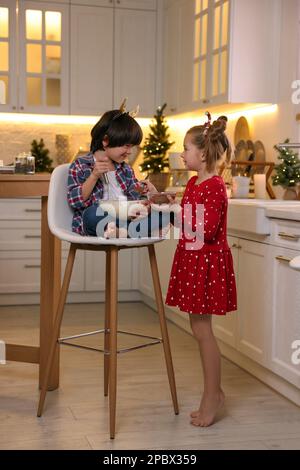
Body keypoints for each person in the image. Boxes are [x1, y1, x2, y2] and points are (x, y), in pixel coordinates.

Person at [166, 113, 237, 427]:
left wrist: (170, 214)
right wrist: (170, 203)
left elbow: (204, 230)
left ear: (203, 154)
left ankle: (212, 398)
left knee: (203, 331)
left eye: (186, 149)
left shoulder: (215, 186)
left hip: (206, 263)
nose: (182, 154)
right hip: (194, 261)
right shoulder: (195, 182)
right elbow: (189, 217)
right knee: (199, 329)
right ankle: (215, 392)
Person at [67, 109, 164, 238]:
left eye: (132, 146)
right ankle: (134, 230)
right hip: (98, 219)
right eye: (126, 146)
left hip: (125, 217)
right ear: (105, 141)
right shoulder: (80, 165)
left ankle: (122, 232)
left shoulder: (126, 169)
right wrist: (94, 176)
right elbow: (74, 201)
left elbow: (134, 198)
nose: (129, 151)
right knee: (92, 214)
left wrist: (144, 192)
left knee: (164, 213)